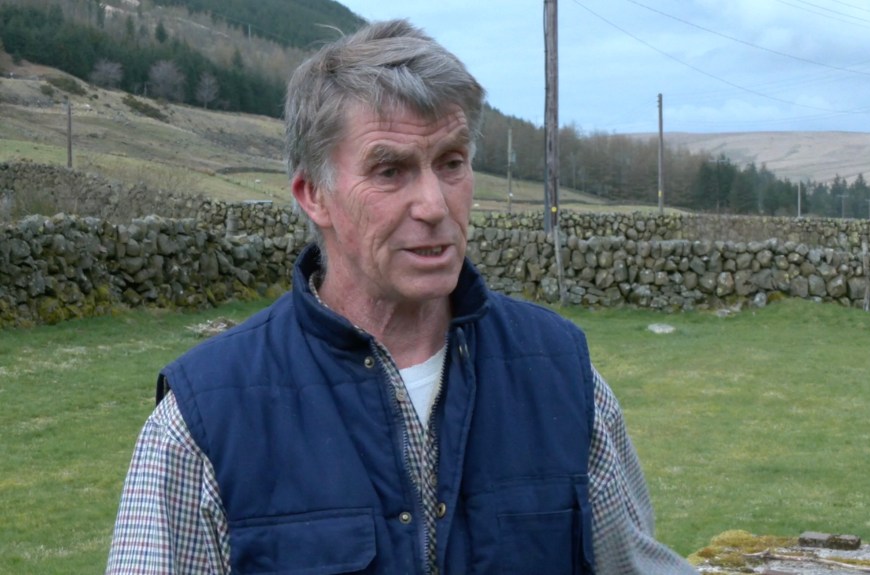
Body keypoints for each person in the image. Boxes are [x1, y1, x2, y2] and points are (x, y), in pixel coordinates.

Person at [106, 19, 696, 575]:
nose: (435, 205)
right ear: (314, 195)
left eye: (452, 163)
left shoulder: (563, 378)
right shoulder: (202, 420)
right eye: (390, 171)